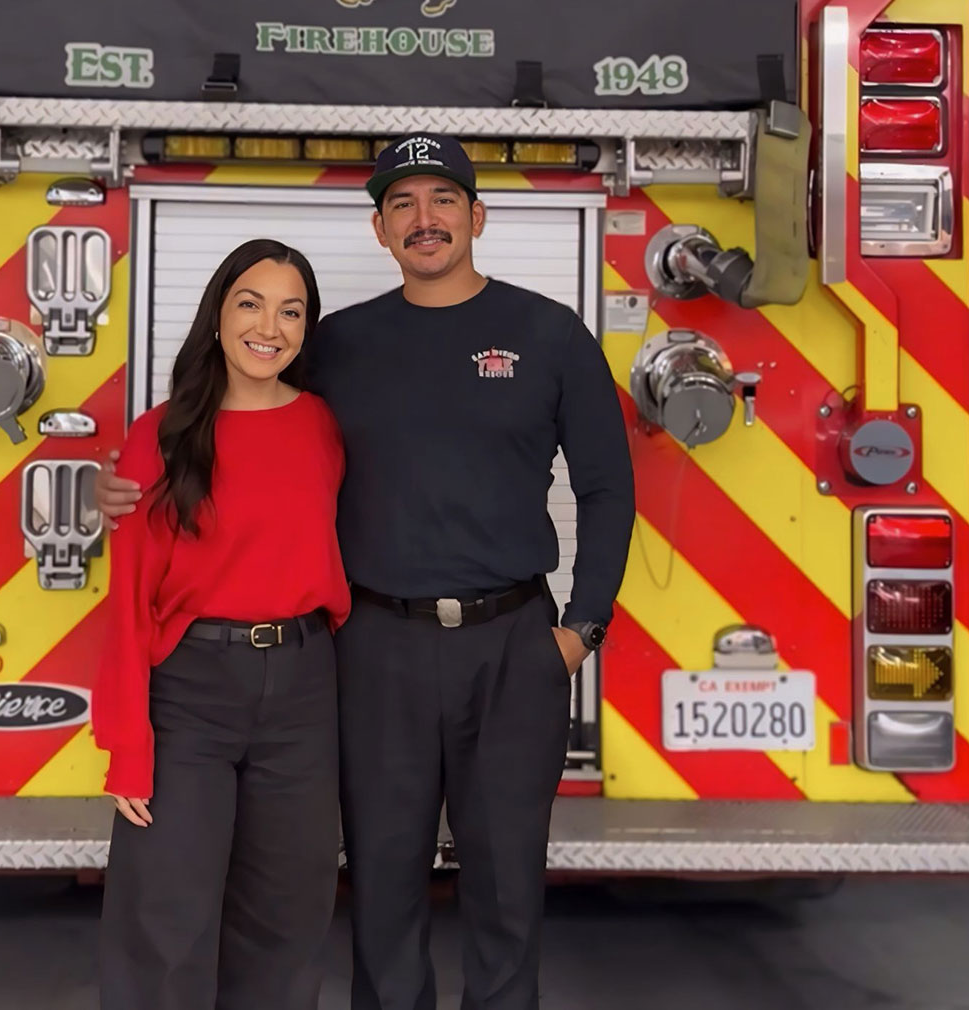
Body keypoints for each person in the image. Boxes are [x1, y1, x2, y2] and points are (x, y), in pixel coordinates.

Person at [97, 134, 635, 1010]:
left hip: (514, 646)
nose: (424, 219)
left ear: (477, 216)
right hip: (376, 649)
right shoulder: (338, 345)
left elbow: (607, 487)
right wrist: (128, 487)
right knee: (382, 883)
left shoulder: (549, 334)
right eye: (402, 205)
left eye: (443, 199)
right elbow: (238, 430)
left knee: (507, 886)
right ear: (380, 230)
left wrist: (581, 630)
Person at [93, 238, 351, 1010]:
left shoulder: (324, 426)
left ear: (306, 330)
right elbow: (130, 596)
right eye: (250, 304)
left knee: (287, 917)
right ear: (216, 316)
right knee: (165, 916)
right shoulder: (162, 435)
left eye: (290, 311)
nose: (268, 327)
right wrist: (127, 746)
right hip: (192, 694)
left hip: (304, 685)